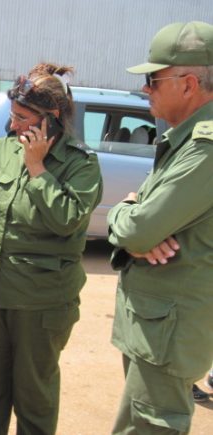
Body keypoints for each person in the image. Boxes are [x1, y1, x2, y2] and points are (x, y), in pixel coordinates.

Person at [0, 64, 103, 435]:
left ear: (52, 118)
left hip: (40, 303)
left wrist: (37, 168)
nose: (13, 126)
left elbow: (68, 219)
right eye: (13, 116)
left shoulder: (80, 165)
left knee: (34, 399)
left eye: (23, 118)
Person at [107, 21, 213, 434]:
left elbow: (138, 228)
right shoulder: (185, 141)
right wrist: (133, 221)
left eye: (153, 79)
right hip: (157, 326)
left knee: (149, 427)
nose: (146, 88)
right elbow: (139, 229)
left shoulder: (204, 148)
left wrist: (126, 216)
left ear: (188, 84)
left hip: (168, 332)